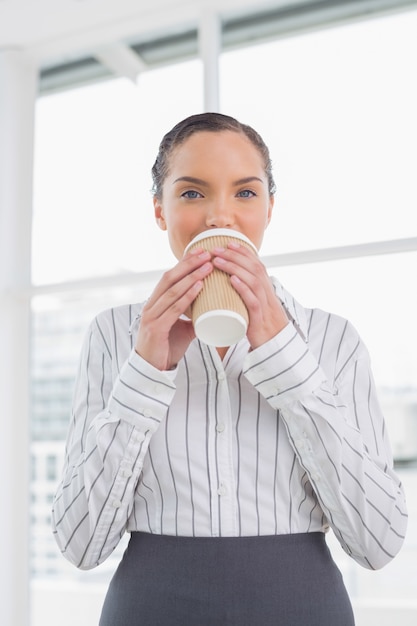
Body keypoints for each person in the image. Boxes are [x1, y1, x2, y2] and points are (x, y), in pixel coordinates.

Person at [52, 112, 408, 625]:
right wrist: (147, 370)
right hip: (150, 608)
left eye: (245, 193)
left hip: (302, 607)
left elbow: (380, 542)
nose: (221, 216)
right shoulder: (114, 336)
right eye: (192, 193)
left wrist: (283, 352)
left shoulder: (333, 340)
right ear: (160, 210)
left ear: (269, 209)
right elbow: (81, 544)